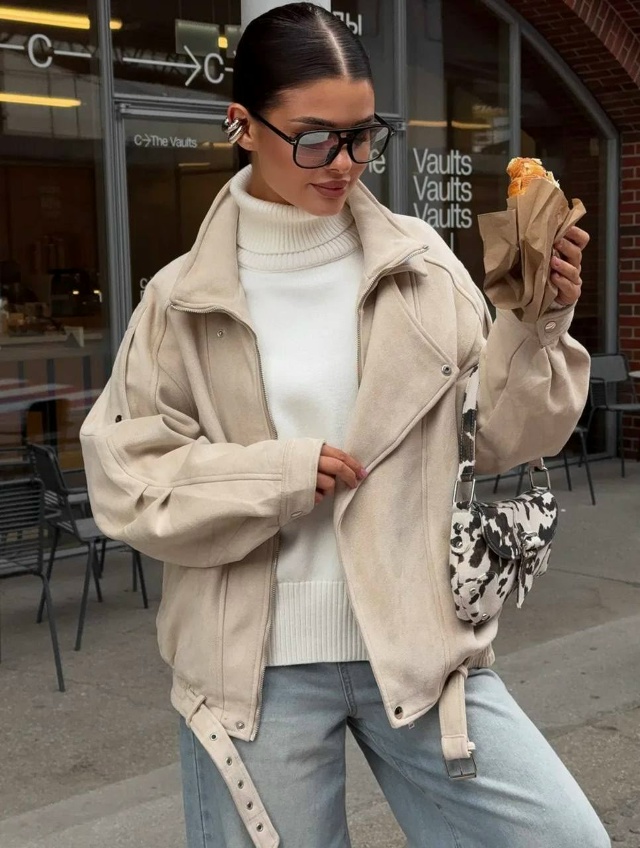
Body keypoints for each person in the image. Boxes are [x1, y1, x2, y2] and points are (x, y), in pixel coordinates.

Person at [80, 4, 610, 847]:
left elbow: (502, 440)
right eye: (314, 138)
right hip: (255, 671)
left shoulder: (421, 264)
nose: (345, 163)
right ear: (242, 126)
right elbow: (126, 479)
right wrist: (280, 475)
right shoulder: (180, 300)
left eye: (363, 135)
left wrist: (535, 322)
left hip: (419, 640)